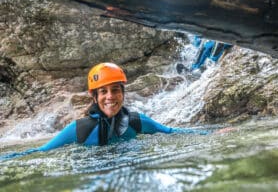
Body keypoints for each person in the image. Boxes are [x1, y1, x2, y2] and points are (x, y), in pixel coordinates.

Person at [1, 62, 219, 160]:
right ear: (94, 97)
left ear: (123, 93)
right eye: (103, 91)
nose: (110, 96)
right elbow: (38, 153)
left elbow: (172, 133)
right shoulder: (79, 130)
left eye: (115, 90)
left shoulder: (137, 122)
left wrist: (213, 134)